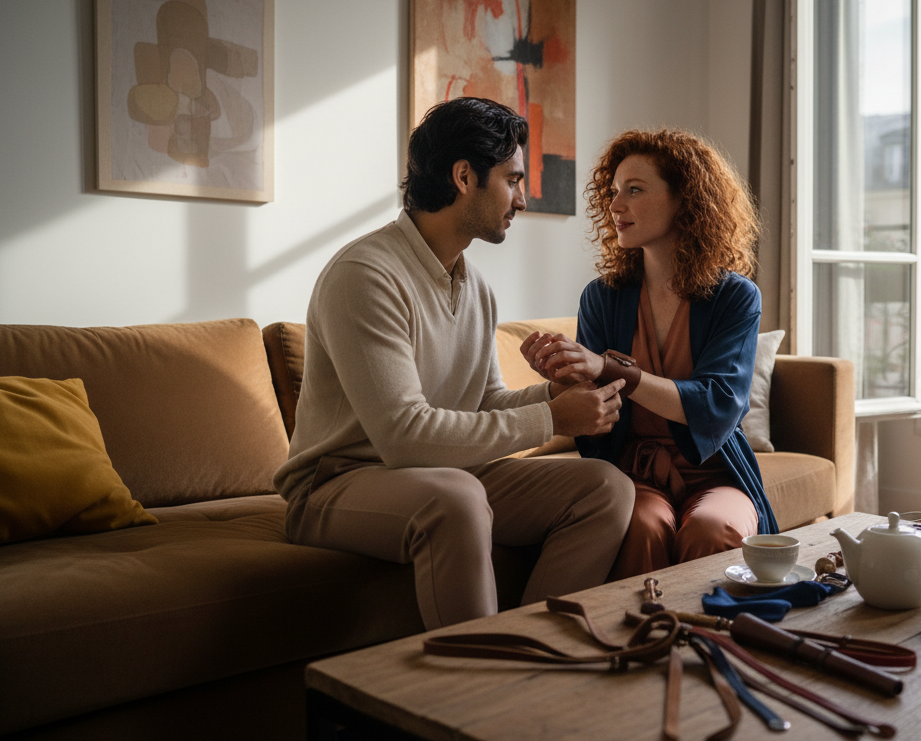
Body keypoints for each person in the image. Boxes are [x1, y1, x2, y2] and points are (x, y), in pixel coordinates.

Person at [273, 97, 635, 630]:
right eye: (512, 180)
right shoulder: (365, 275)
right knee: (457, 499)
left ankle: (533, 649)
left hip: (441, 472)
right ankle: (482, 690)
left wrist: (554, 396)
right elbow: (403, 436)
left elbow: (484, 401)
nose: (523, 199)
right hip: (339, 483)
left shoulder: (475, 286)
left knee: (606, 488)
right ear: (464, 176)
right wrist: (554, 420)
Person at [522, 128, 779, 579]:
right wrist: (562, 377)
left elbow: (719, 405)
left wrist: (610, 368)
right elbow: (591, 414)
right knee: (641, 525)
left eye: (634, 190)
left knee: (713, 528)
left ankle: (709, 644)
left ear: (686, 199)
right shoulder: (601, 298)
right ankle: (640, 645)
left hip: (716, 471)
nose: (615, 205)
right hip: (632, 471)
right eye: (614, 192)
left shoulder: (736, 297)